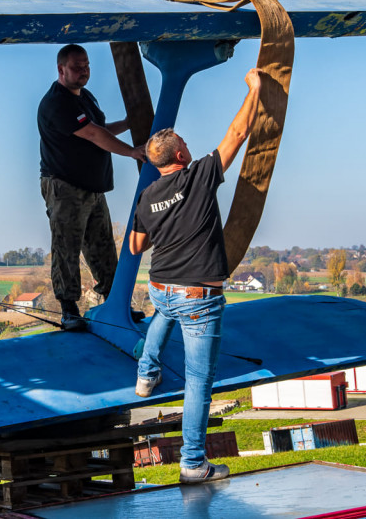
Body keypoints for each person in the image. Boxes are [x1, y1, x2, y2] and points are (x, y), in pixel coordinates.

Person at [128, 68, 262, 483]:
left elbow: (135, 246)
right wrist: (255, 90)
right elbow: (238, 133)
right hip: (197, 297)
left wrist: (164, 222)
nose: (189, 144)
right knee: (199, 382)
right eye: (184, 142)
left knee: (162, 317)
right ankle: (192, 465)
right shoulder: (201, 176)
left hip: (161, 287)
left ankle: (146, 374)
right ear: (179, 155)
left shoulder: (148, 195)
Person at [39, 44, 145, 331]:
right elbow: (94, 134)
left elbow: (102, 129)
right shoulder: (57, 103)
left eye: (86, 65)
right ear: (61, 70)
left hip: (93, 187)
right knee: (67, 246)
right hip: (65, 187)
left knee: (103, 246)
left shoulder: (85, 97)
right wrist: (134, 152)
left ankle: (115, 304)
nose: (84, 70)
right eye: (77, 66)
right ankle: (68, 309)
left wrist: (127, 123)